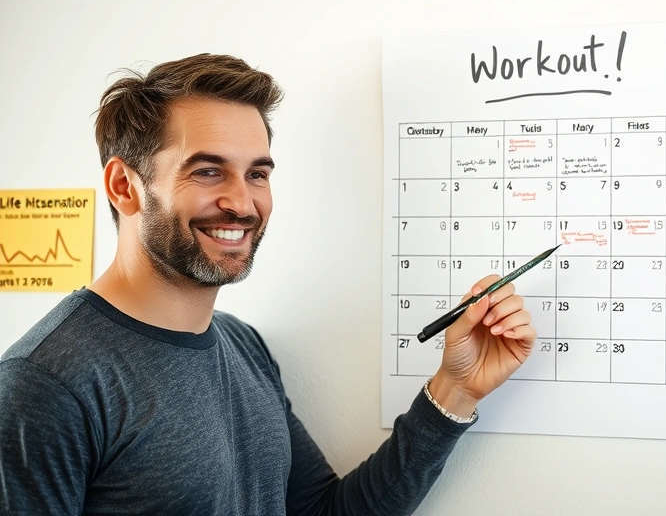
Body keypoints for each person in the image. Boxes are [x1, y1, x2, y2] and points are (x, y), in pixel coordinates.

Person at [0, 54, 536, 515]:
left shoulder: (243, 346)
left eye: (257, 173)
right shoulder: (45, 385)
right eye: (208, 171)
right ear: (125, 186)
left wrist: (455, 389)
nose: (243, 202)